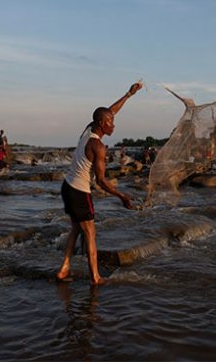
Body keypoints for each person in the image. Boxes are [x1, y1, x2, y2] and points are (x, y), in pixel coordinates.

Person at [57, 82, 142, 285]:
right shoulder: (98, 146)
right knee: (90, 234)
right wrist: (121, 196)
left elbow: (110, 110)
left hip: (67, 186)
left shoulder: (89, 129)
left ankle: (64, 269)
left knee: (76, 230)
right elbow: (101, 181)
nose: (114, 124)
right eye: (111, 122)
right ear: (103, 124)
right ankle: (95, 277)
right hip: (79, 191)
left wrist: (129, 94)